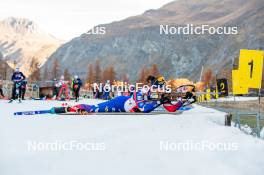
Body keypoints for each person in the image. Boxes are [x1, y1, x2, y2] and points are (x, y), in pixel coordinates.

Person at [51, 75, 196, 115]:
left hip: (128, 106)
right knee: (92, 108)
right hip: (119, 103)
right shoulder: (143, 90)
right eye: (161, 89)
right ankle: (69, 108)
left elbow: (171, 109)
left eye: (163, 89)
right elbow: (144, 109)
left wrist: (184, 102)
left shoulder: (160, 95)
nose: (163, 91)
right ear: (155, 87)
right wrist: (158, 102)